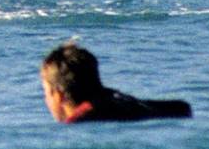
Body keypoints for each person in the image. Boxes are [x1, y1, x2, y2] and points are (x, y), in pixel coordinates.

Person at [40, 42, 192, 123]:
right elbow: (182, 107)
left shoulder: (81, 120)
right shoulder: (118, 100)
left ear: (58, 95)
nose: (45, 100)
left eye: (46, 92)